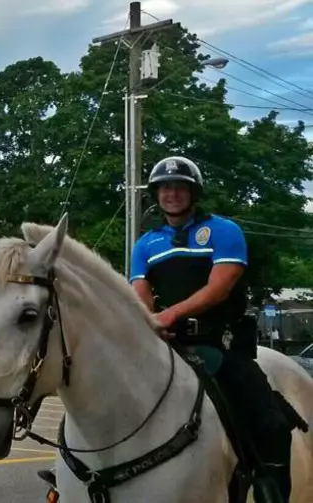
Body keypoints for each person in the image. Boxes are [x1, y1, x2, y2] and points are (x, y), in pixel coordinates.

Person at [129, 156, 294, 501]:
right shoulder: (145, 244)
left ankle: (270, 489)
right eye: (164, 187)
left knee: (269, 422)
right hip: (168, 343)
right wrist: (151, 324)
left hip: (221, 345)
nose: (171, 194)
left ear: (193, 193)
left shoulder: (223, 230)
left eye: (179, 187)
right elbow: (140, 295)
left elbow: (220, 287)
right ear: (156, 195)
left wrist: (169, 314)